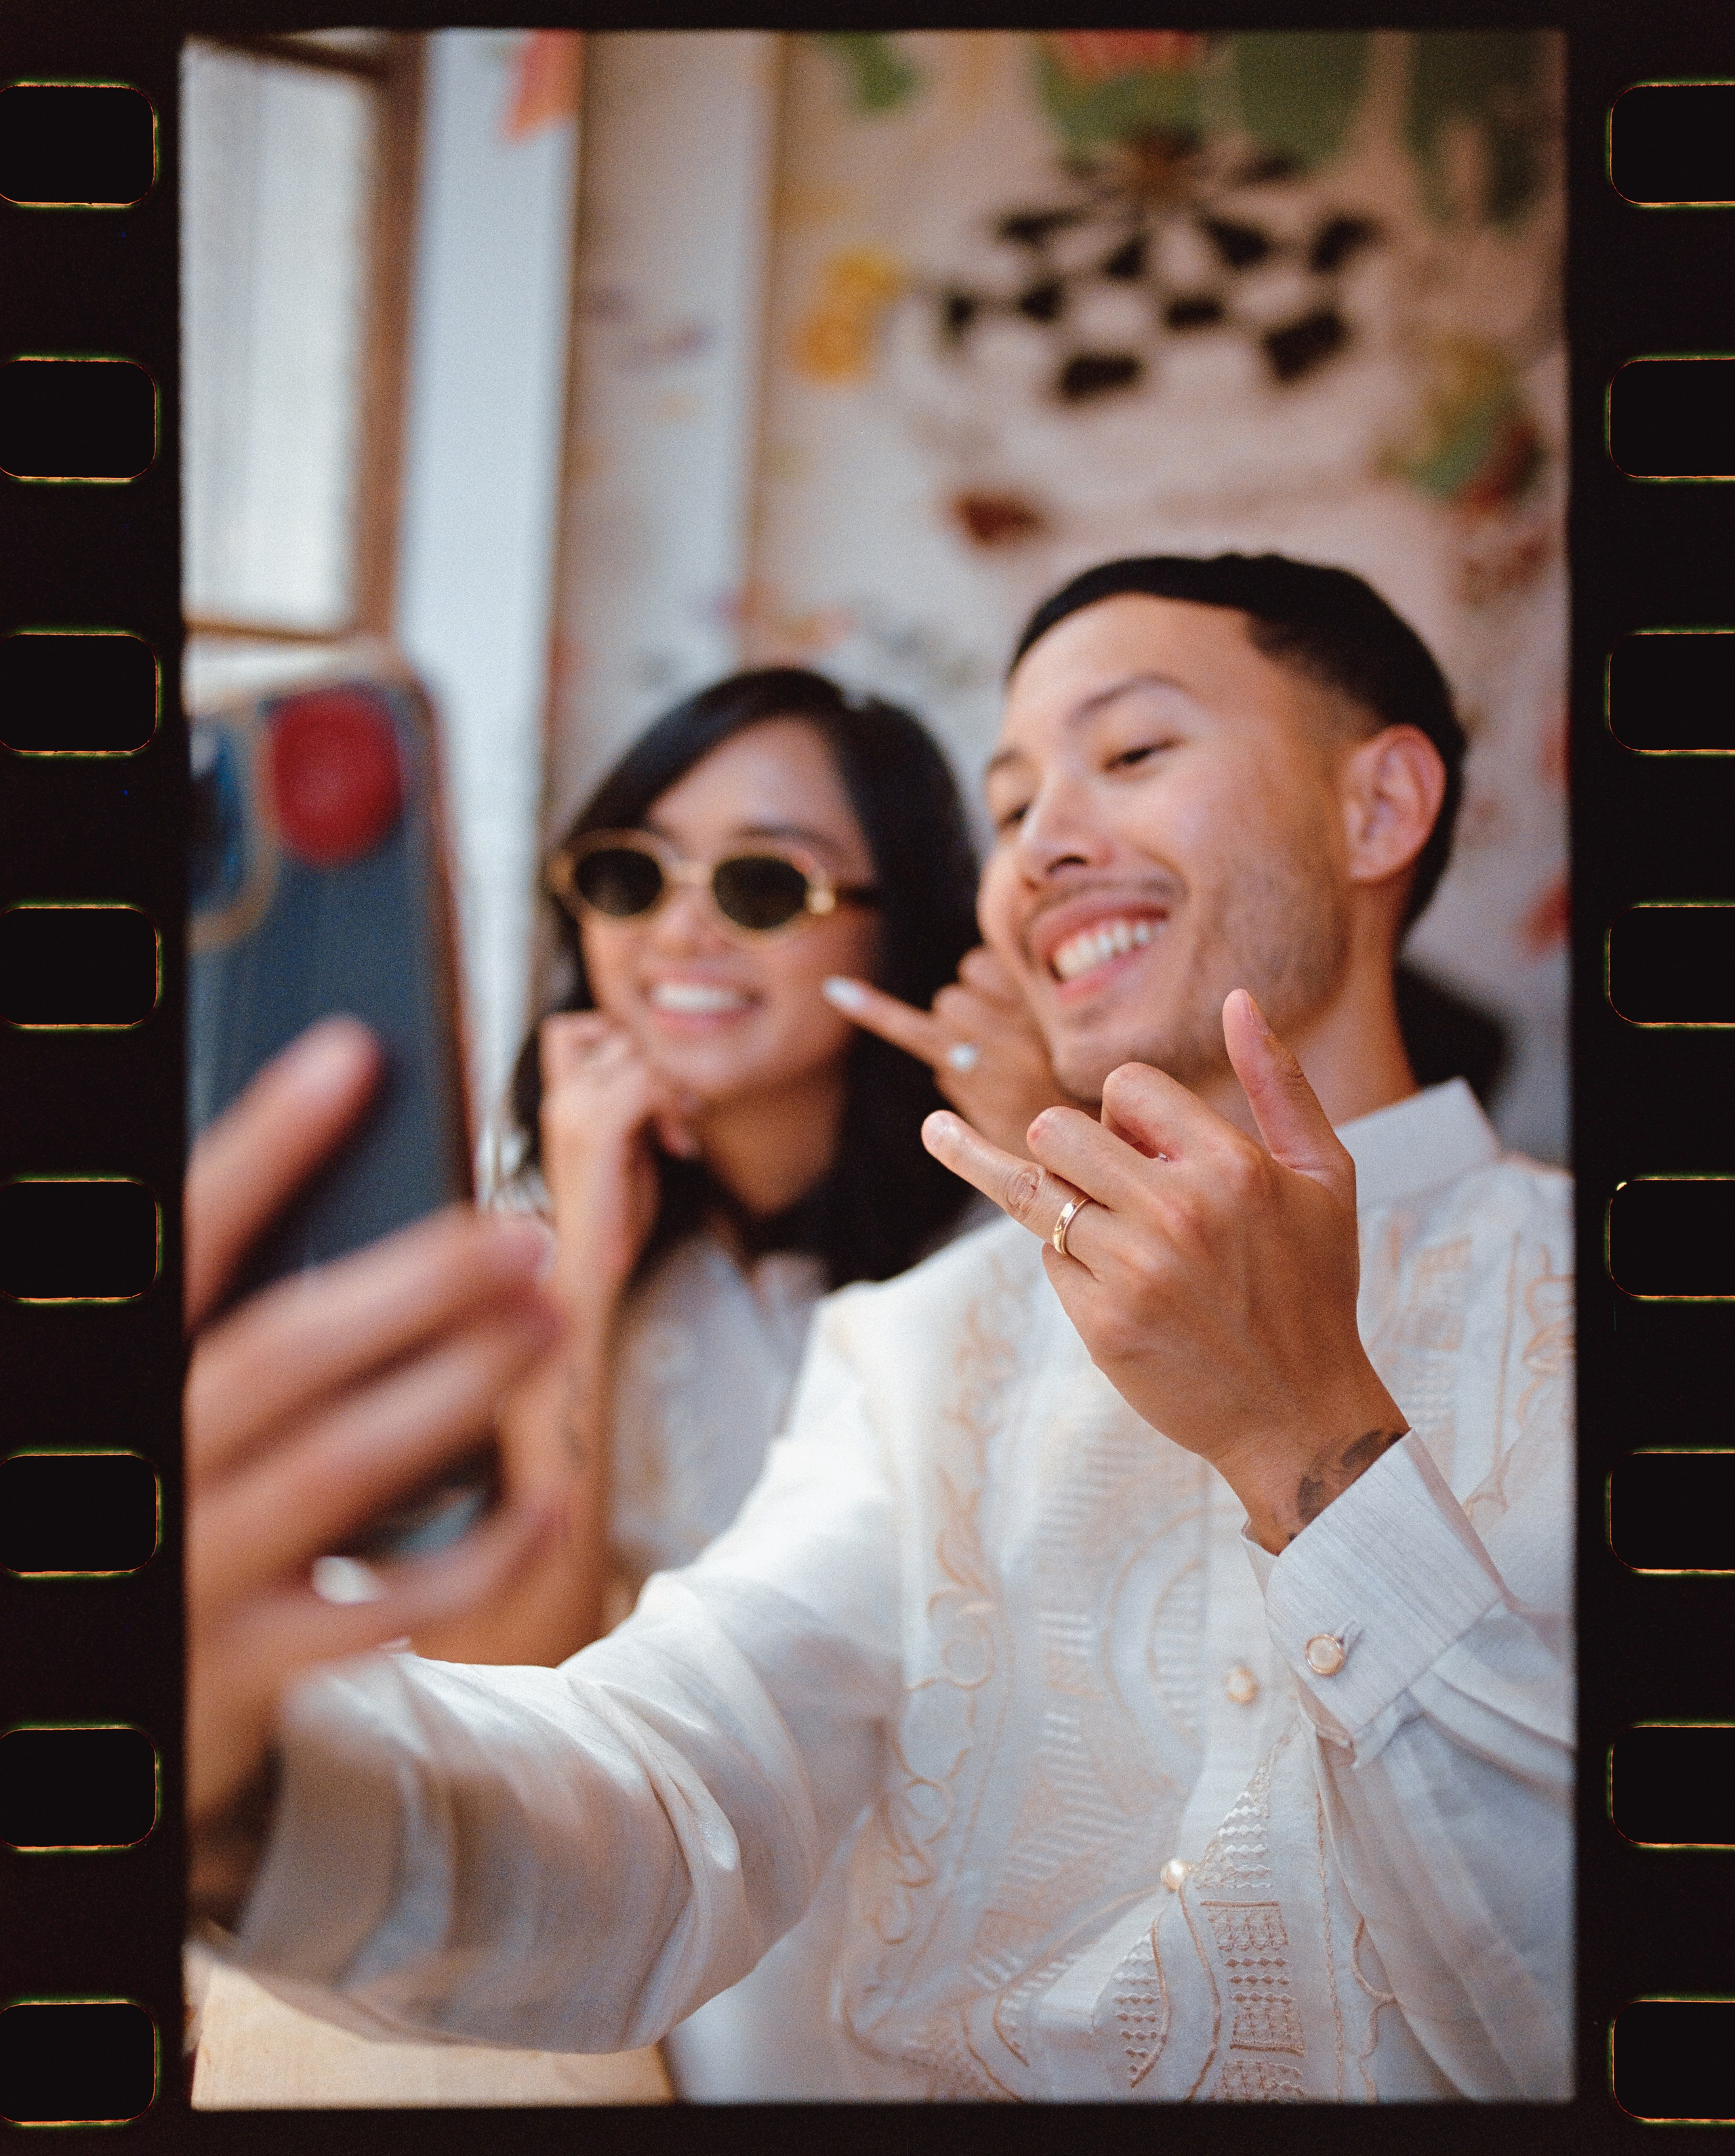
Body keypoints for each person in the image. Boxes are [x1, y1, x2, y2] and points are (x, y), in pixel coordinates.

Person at [188, 554, 1572, 2102]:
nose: (1040, 844)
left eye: (1128, 753)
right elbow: (664, 1787)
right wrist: (243, 1787)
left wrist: (1312, 1441)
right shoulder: (915, 1345)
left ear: (1378, 809)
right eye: (1009, 801)